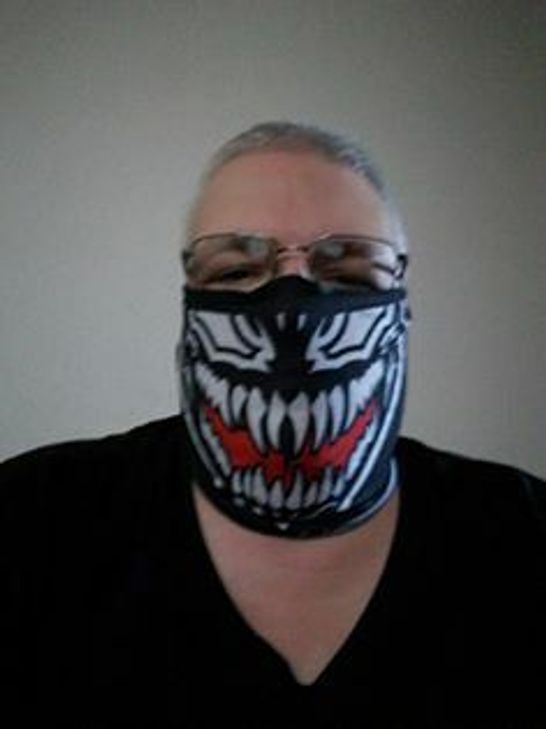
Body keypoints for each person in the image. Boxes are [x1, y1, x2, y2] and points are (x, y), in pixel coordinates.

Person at [2, 121, 545, 728]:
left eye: (349, 276)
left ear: (404, 309)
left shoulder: (523, 536)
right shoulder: (32, 522)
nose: (291, 314)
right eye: (236, 272)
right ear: (187, 303)